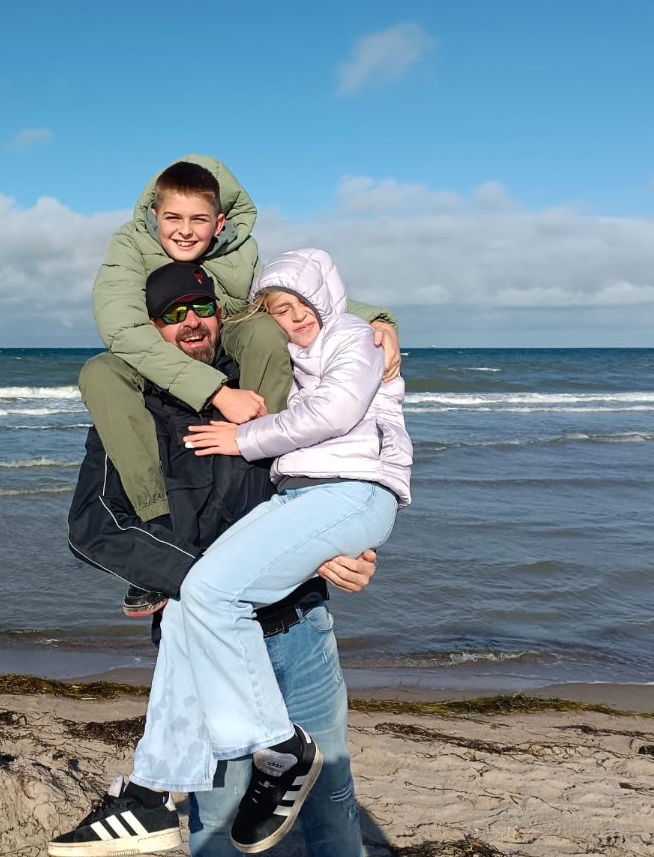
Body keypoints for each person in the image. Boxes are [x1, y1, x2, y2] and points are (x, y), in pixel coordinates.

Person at [50, 262, 376, 856]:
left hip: (299, 627)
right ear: (151, 331)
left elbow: (337, 469)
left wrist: (348, 548)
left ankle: (147, 795)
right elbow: (95, 527)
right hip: (203, 643)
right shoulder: (131, 415)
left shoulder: (269, 387)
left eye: (201, 308)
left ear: (222, 315)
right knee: (219, 820)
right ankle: (151, 797)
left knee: (332, 802)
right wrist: (207, 584)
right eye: (173, 315)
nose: (191, 322)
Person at [80, 155, 400, 618]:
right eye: (173, 218)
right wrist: (216, 393)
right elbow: (122, 329)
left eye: (199, 219)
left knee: (266, 332)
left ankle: (268, 447)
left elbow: (286, 296)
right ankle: (157, 518)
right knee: (100, 372)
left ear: (219, 222)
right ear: (154, 215)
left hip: (289, 603)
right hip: (203, 606)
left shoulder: (239, 259)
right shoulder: (130, 253)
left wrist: (376, 318)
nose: (185, 231)